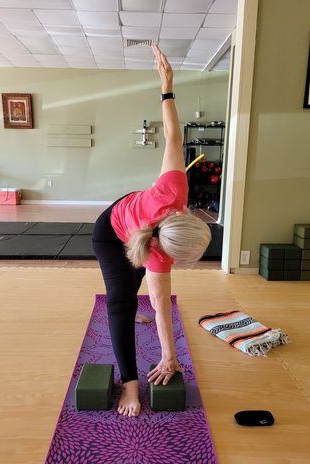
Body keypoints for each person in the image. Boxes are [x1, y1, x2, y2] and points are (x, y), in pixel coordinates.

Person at [92, 44, 211, 418]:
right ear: (170, 252)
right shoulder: (159, 244)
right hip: (111, 232)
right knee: (121, 301)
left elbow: (174, 136)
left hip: (142, 224)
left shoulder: (175, 191)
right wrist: (167, 358)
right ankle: (128, 383)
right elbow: (160, 308)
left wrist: (168, 85)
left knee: (138, 291)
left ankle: (130, 307)